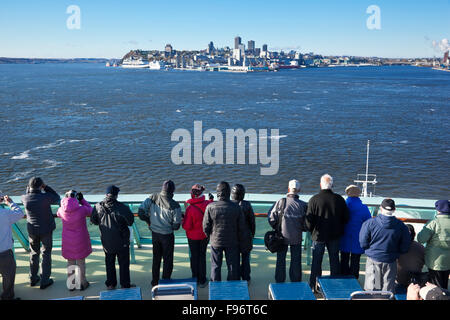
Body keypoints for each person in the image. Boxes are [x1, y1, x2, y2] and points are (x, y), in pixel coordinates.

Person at [305, 174, 349, 291]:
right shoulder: (339, 199)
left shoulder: (314, 199)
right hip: (335, 235)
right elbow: (346, 218)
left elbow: (309, 222)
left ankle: (314, 285)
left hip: (318, 236)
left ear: (320, 185)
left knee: (316, 261)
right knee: (334, 260)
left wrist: (311, 230)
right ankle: (334, 286)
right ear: (332, 185)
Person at [359, 198, 411, 293]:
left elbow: (363, 242)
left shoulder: (370, 223)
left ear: (381, 208)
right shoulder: (401, 226)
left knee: (373, 288)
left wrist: (370, 250)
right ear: (394, 210)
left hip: (374, 259)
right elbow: (405, 245)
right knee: (388, 289)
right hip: (390, 260)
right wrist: (397, 252)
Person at [138, 180, 182, 286]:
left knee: (156, 258)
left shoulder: (153, 198)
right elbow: (176, 226)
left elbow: (140, 212)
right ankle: (165, 280)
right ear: (173, 191)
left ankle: (155, 281)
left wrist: (149, 221)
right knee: (168, 259)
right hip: (167, 236)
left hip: (155, 234)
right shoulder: (175, 205)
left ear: (162, 188)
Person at [90, 185, 135, 289]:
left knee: (109, 263)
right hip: (122, 240)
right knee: (123, 264)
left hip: (107, 240)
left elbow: (94, 220)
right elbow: (130, 221)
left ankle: (110, 284)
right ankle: (125, 284)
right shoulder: (122, 207)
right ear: (116, 195)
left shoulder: (97, 206)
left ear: (106, 194)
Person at [21, 177, 61, 289]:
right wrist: (46, 187)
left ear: (29, 187)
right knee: (46, 254)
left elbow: (28, 194)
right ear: (41, 186)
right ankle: (45, 280)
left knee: (34, 253)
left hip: (32, 230)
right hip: (46, 230)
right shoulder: (45, 197)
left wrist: (28, 190)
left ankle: (33, 278)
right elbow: (57, 197)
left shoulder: (24, 198)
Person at [203, 181, 246, 282]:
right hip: (232, 242)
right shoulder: (236, 207)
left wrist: (210, 237)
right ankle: (231, 289)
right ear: (229, 193)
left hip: (216, 241)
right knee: (232, 267)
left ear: (218, 193)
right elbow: (241, 227)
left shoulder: (210, 207)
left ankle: (215, 288)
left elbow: (205, 226)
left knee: (215, 266)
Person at [268, 180, 307, 283]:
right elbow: (306, 224)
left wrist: (277, 227)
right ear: (299, 190)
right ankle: (295, 280)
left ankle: (280, 281)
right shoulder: (303, 205)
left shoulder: (281, 202)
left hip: (281, 237)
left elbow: (271, 218)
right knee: (296, 260)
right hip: (297, 237)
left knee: (280, 259)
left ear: (288, 189)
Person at [57, 190, 93, 291]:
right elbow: (91, 210)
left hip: (67, 240)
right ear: (75, 198)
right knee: (81, 261)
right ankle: (82, 283)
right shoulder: (82, 210)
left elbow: (58, 213)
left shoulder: (61, 210)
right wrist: (82, 200)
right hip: (81, 239)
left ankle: (71, 284)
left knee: (70, 261)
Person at [182, 184, 212, 287]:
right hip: (204, 236)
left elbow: (187, 226)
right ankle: (202, 280)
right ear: (202, 194)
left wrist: (184, 217)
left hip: (192, 237)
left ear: (192, 194)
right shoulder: (208, 204)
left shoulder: (190, 209)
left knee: (194, 257)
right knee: (202, 256)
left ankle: (195, 278)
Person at [339, 185, 372, 279]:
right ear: (359, 194)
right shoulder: (363, 208)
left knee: (344, 259)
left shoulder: (343, 206)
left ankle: (343, 278)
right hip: (358, 238)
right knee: (355, 261)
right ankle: (353, 280)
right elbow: (369, 223)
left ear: (347, 193)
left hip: (344, 237)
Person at [417, 199, 450, 289]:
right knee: (444, 282)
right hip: (448, 261)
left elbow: (421, 239)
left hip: (435, 261)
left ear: (438, 210)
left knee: (435, 286)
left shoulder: (433, 222)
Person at [0, 193, 24, 300]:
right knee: (8, 276)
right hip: (4, 253)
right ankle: (7, 297)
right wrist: (10, 203)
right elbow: (20, 213)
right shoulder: (4, 213)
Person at [231, 184, 255, 282]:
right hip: (245, 236)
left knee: (234, 260)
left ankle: (235, 278)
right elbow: (252, 222)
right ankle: (246, 278)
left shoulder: (229, 205)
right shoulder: (247, 205)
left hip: (233, 237)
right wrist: (251, 235)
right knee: (245, 259)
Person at [395, 224, 425, 290]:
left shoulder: (396, 247)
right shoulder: (420, 247)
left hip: (400, 280)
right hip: (415, 280)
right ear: (414, 234)